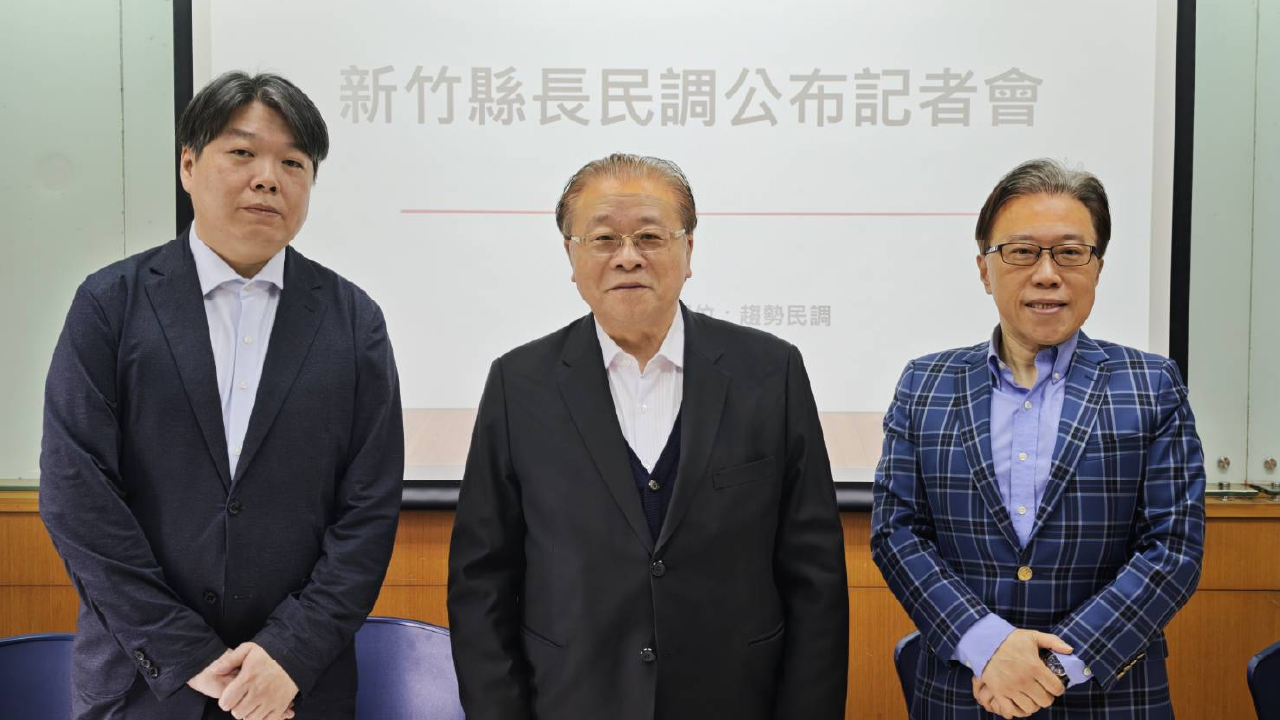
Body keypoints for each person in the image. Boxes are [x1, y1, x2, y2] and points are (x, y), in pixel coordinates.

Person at [39, 71, 404, 720]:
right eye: (243, 152)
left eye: (293, 163)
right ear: (188, 165)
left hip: (295, 691)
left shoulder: (354, 322)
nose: (268, 178)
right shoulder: (110, 305)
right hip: (142, 686)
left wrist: (289, 653)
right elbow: (77, 496)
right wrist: (183, 652)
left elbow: (368, 511)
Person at [447, 152, 849, 720]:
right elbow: (481, 581)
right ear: (571, 256)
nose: (628, 257)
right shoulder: (519, 383)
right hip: (571, 700)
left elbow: (816, 578)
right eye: (604, 238)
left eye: (651, 237)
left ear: (689, 250)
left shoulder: (770, 373)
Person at [871, 158, 1205, 719]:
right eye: (1022, 252)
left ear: (1097, 267)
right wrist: (987, 646)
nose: (1047, 274)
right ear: (984, 270)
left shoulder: (1151, 385)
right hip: (964, 693)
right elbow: (896, 533)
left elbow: (1173, 549)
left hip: (1109, 698)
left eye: (1070, 253)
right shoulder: (925, 384)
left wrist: (1054, 667)